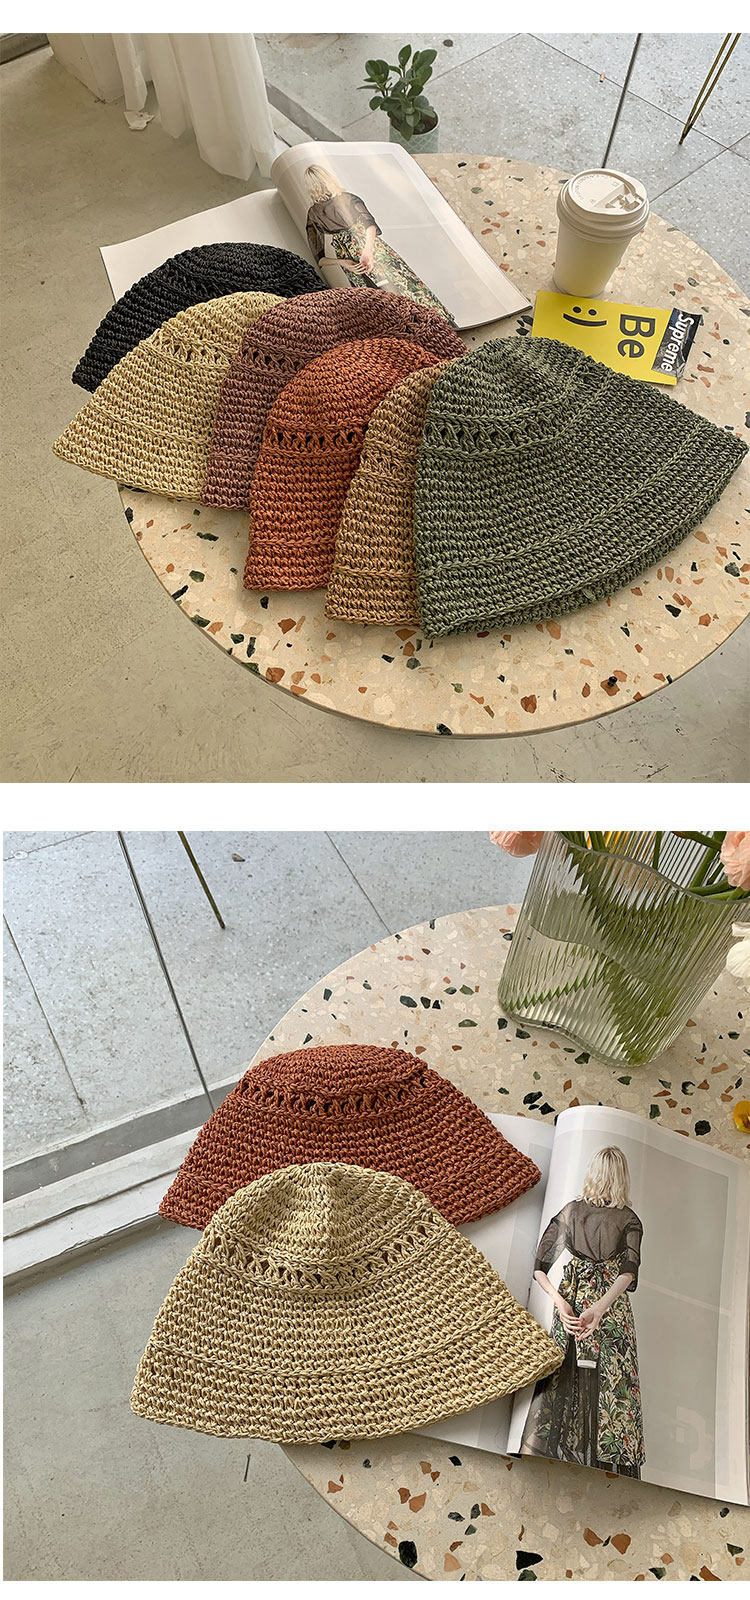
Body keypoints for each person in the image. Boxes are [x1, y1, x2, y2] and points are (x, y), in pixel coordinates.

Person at [521, 1145, 645, 1478]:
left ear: (593, 1174)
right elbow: (628, 1272)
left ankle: (555, 1459)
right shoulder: (629, 1220)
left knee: (565, 1376)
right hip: (609, 1307)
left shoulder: (571, 1211)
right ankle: (605, 1467)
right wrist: (601, 1308)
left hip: (573, 1300)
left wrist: (560, 1302)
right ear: (622, 1177)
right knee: (611, 1383)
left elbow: (539, 1268)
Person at [303, 163, 454, 320]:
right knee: (403, 286)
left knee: (383, 295)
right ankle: (437, 320)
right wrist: (364, 253)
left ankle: (416, 324)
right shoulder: (346, 200)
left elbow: (320, 259)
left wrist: (345, 261)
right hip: (370, 250)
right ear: (329, 178)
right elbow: (369, 225)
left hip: (358, 258)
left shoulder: (315, 213)